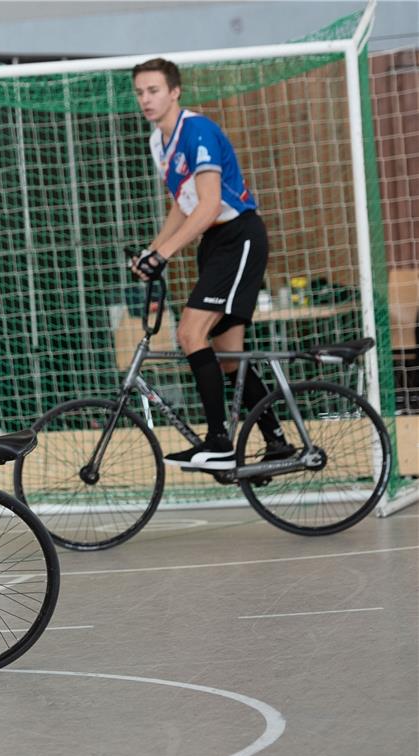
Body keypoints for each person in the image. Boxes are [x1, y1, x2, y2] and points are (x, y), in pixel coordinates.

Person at [129, 58, 290, 470]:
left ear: (175, 91)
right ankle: (277, 440)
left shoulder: (195, 130)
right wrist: (153, 250)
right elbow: (182, 208)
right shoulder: (157, 142)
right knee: (228, 354)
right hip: (215, 243)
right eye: (140, 92)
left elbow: (211, 204)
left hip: (238, 238)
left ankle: (218, 440)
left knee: (189, 331)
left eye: (154, 90)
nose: (146, 99)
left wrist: (165, 254)